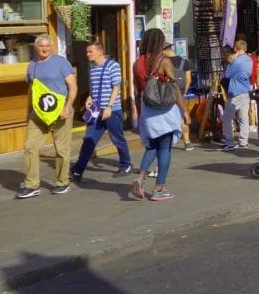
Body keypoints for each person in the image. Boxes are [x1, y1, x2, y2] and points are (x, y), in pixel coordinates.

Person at [17, 34, 78, 198]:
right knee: (30, 146)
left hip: (60, 112)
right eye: (41, 46)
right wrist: (28, 112)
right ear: (35, 48)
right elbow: (32, 91)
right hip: (38, 114)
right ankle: (31, 185)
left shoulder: (61, 62)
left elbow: (73, 86)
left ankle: (62, 182)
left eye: (47, 46)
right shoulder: (32, 65)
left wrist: (68, 107)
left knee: (61, 149)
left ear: (52, 47)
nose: (44, 49)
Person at [131, 28, 189, 201]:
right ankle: (159, 189)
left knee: (152, 145)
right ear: (159, 42)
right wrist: (185, 110)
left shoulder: (137, 63)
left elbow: (136, 91)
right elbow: (174, 87)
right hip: (164, 108)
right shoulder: (163, 61)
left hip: (147, 108)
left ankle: (140, 178)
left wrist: (139, 112)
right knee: (165, 147)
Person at [72, 42, 132, 182]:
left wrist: (109, 107)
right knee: (89, 140)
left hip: (112, 110)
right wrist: (89, 97)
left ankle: (125, 165)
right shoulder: (92, 68)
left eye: (90, 52)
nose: (87, 54)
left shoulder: (113, 66)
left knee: (117, 139)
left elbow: (116, 88)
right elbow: (94, 88)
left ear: (100, 52)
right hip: (96, 111)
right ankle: (78, 170)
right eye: (87, 52)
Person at [221, 40, 252, 151]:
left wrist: (232, 61)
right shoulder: (249, 59)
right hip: (245, 90)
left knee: (227, 117)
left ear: (236, 48)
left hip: (235, 91)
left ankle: (229, 142)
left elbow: (227, 74)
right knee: (244, 117)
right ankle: (243, 142)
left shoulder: (237, 61)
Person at [164, 43, 194, 151]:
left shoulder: (165, 62)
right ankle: (187, 142)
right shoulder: (184, 61)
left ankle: (168, 142)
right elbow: (188, 79)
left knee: (167, 117)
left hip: (168, 93)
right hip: (181, 92)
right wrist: (185, 92)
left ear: (165, 50)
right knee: (183, 117)